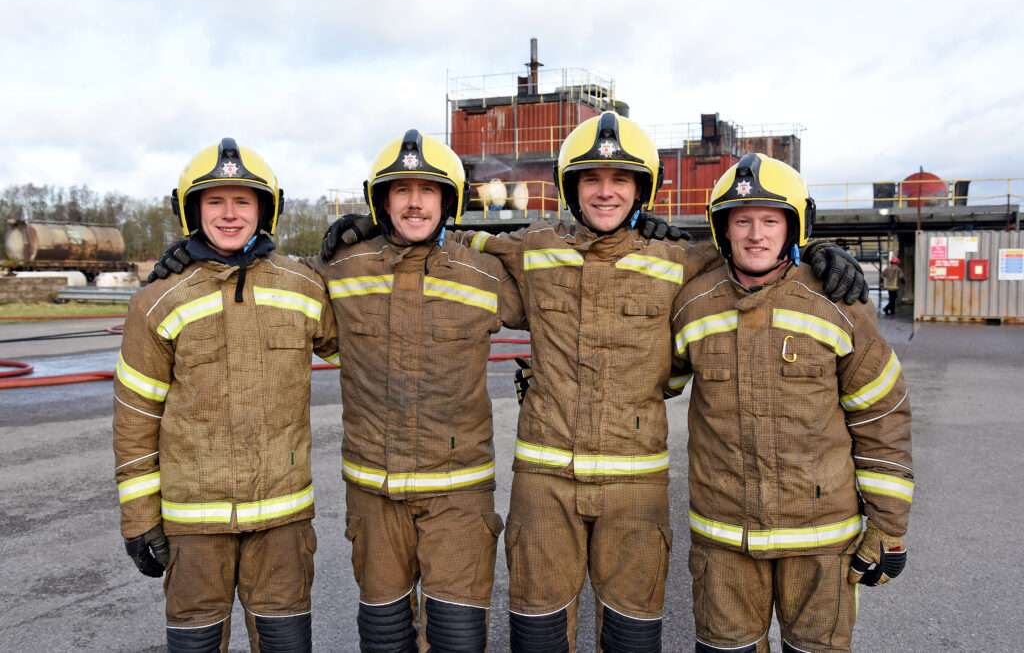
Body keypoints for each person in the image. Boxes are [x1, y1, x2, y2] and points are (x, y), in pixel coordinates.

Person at [318, 112, 871, 652]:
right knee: (538, 631)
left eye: (620, 180)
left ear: (641, 190)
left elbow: (751, 257)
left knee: (632, 634)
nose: (605, 192)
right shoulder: (532, 251)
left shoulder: (677, 260)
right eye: (593, 180)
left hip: (635, 484)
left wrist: (816, 253)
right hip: (545, 479)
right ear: (572, 188)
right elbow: (462, 245)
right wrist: (376, 228)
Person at [672, 153, 913, 653]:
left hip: (820, 542)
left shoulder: (837, 303)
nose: (755, 234)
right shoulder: (693, 305)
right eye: (742, 220)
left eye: (770, 220)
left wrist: (888, 526)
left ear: (793, 226)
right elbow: (638, 376)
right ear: (723, 230)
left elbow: (882, 416)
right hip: (725, 542)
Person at [113, 139, 339, 652]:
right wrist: (139, 518)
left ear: (266, 209)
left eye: (243, 201)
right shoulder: (156, 301)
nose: (230, 214)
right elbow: (134, 417)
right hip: (193, 526)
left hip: (283, 522)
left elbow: (366, 347)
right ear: (193, 211)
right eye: (215, 201)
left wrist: (372, 242)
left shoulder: (303, 288)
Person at [307, 130, 526, 652]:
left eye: (427, 190)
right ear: (380, 201)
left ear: (447, 200)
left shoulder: (483, 274)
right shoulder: (341, 268)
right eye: (400, 190)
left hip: (459, 492)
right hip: (374, 493)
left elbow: (566, 276)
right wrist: (199, 255)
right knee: (384, 640)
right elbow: (269, 288)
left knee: (457, 640)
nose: (414, 202)